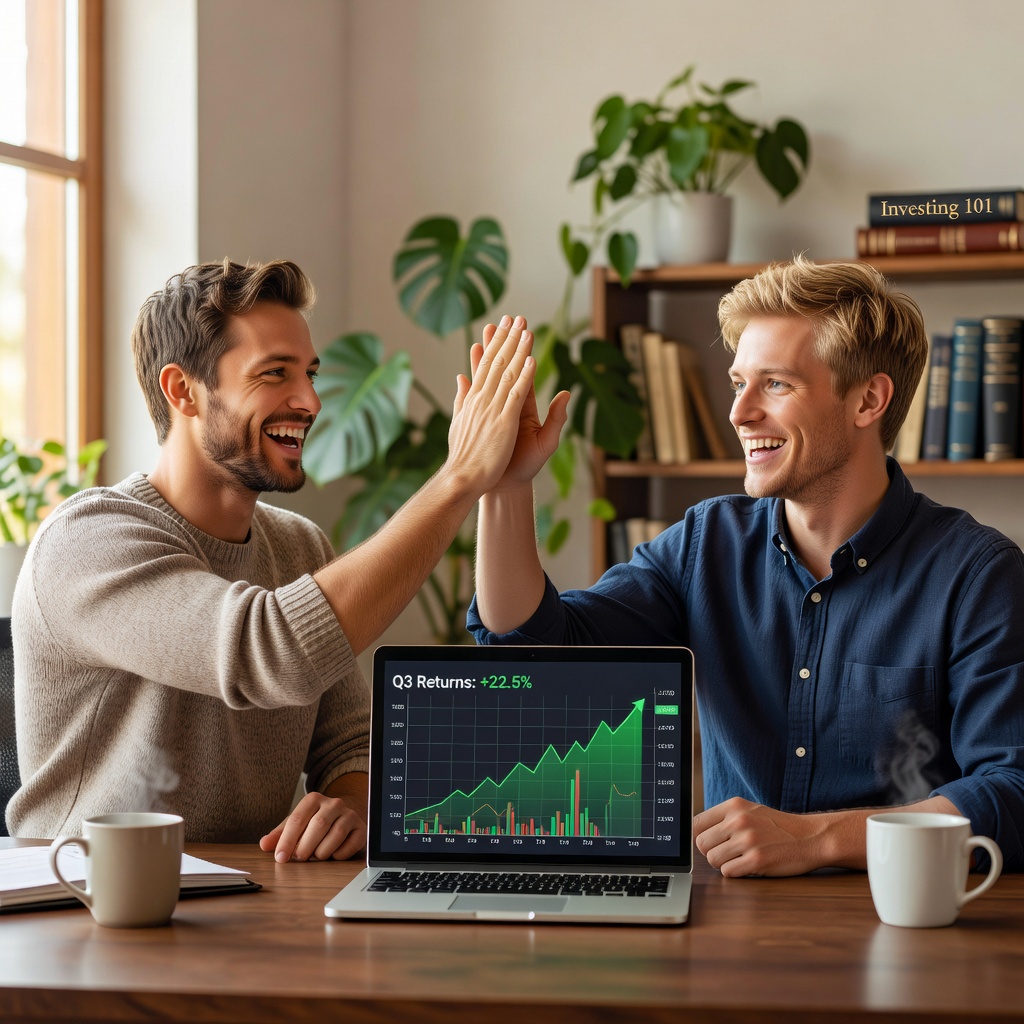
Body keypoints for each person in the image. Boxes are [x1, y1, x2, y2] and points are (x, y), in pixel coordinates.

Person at [469, 255, 1024, 876]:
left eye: (776, 384)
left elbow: (1014, 788)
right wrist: (506, 486)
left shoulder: (978, 575)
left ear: (869, 399)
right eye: (739, 383)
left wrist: (817, 839)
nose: (739, 412)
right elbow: (540, 645)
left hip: (906, 930)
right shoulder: (707, 543)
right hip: (735, 930)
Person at [8, 258, 560, 862]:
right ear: (182, 391)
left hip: (242, 904)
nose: (310, 401)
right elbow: (269, 652)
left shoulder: (299, 547)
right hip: (83, 909)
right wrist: (458, 480)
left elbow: (350, 744)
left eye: (311, 374)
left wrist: (350, 805)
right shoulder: (87, 540)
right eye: (274, 374)